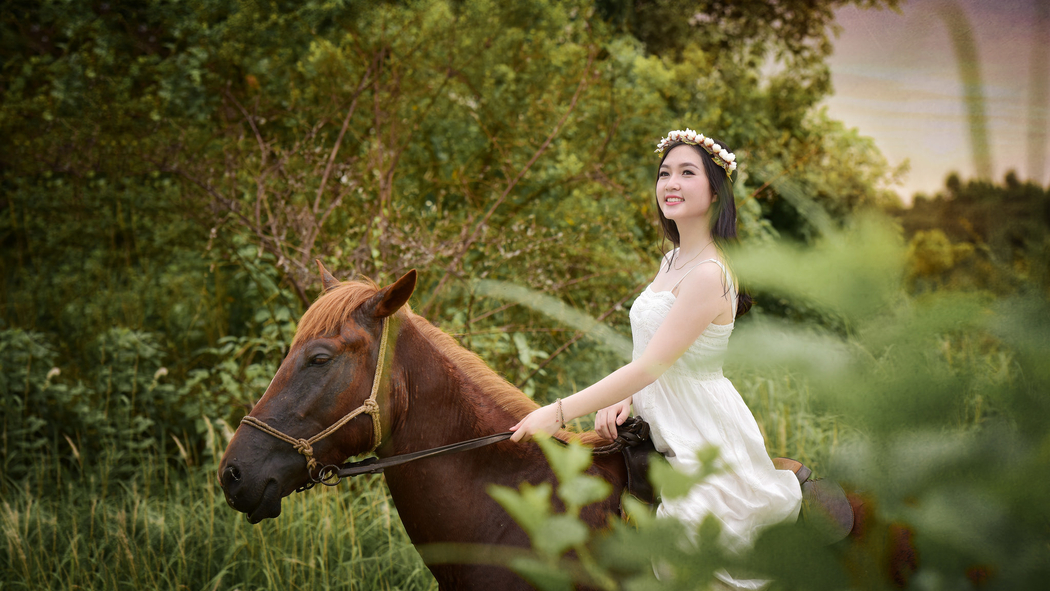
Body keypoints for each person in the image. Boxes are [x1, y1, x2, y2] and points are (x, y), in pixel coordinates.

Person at [509, 129, 802, 589]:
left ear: (715, 191)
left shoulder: (709, 272)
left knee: (681, 545)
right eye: (665, 173)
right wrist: (627, 400)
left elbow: (650, 367)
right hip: (660, 416)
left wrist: (557, 411)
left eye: (688, 173)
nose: (671, 182)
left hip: (702, 431)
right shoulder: (672, 259)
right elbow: (647, 348)